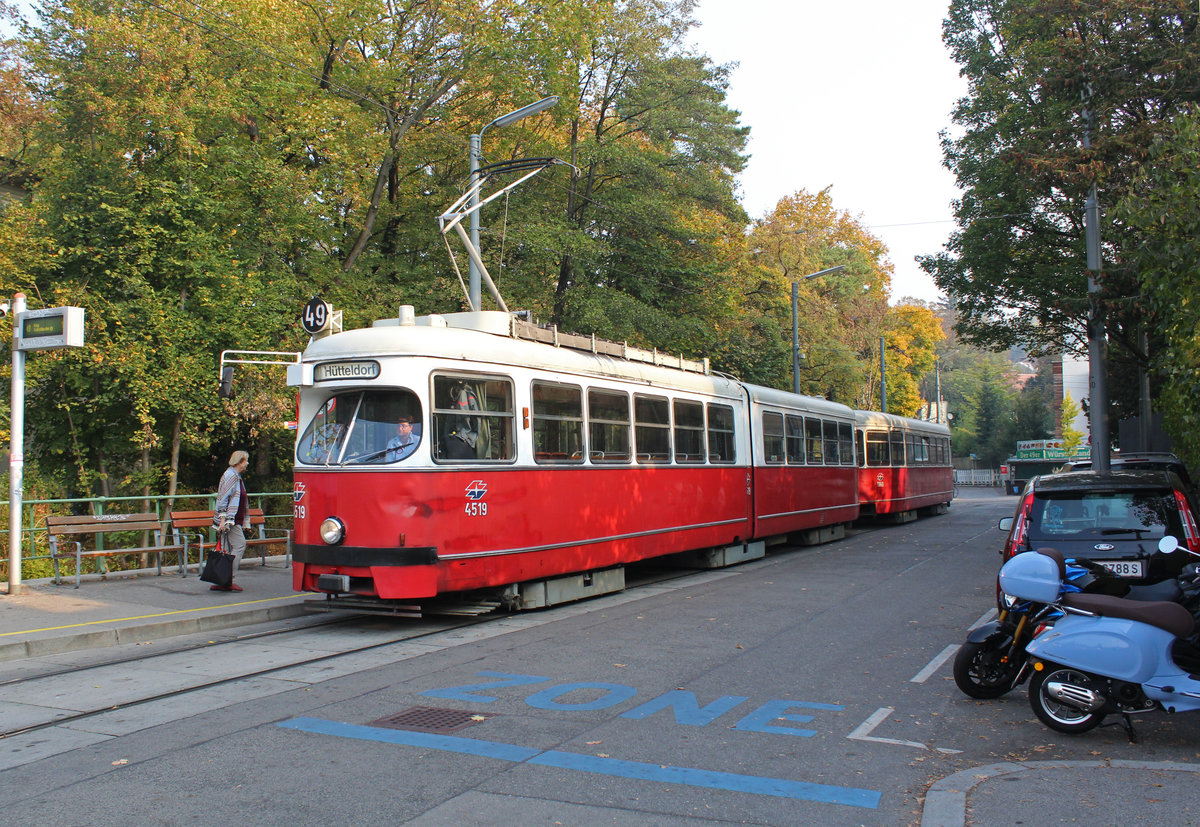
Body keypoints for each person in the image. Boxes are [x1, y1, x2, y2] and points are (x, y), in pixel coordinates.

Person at [212, 450, 249, 592]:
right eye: (245, 460)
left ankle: (222, 580)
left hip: (233, 520)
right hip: (229, 520)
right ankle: (229, 579)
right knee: (240, 545)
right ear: (239, 461)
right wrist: (222, 519)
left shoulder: (236, 476)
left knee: (226, 549)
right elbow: (223, 497)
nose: (247, 463)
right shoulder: (231, 476)